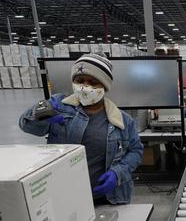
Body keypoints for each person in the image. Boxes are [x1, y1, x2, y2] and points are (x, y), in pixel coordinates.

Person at [19, 53, 144, 205]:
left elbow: (135, 151)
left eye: (93, 82)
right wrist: (40, 115)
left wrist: (118, 173)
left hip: (107, 198)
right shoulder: (59, 106)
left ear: (104, 86)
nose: (85, 87)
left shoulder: (122, 120)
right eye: (80, 80)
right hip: (64, 195)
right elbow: (26, 125)